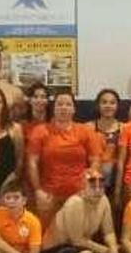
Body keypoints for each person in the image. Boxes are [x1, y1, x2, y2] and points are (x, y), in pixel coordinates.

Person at [39, 170, 119, 253]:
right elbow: (77, 240)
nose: (98, 190)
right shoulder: (75, 203)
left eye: (101, 186)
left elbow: (109, 232)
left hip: (77, 249)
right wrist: (108, 251)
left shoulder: (104, 201)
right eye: (93, 187)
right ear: (82, 188)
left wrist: (114, 250)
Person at [27, 92, 102, 227]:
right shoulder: (40, 131)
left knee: (77, 234)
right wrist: (38, 190)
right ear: (53, 108)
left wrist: (88, 184)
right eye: (59, 104)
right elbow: (32, 162)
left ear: (74, 109)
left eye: (68, 104)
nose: (63, 108)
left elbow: (95, 160)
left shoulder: (85, 131)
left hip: (79, 193)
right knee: (48, 237)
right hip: (49, 193)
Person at [85, 89, 122, 200]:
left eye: (112, 102)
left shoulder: (124, 128)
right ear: (98, 105)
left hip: (116, 180)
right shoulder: (88, 128)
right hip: (93, 180)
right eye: (104, 102)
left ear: (117, 106)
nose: (108, 106)